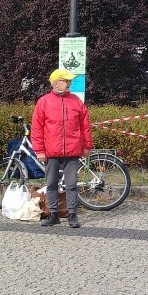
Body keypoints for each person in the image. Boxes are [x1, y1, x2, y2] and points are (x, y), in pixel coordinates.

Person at [31, 68, 93, 228]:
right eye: (66, 80)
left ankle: (72, 214)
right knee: (51, 184)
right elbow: (37, 127)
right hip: (51, 151)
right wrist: (40, 150)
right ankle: (53, 214)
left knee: (72, 184)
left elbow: (85, 126)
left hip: (72, 150)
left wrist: (87, 146)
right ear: (56, 82)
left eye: (69, 81)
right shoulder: (43, 102)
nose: (69, 83)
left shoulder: (76, 101)